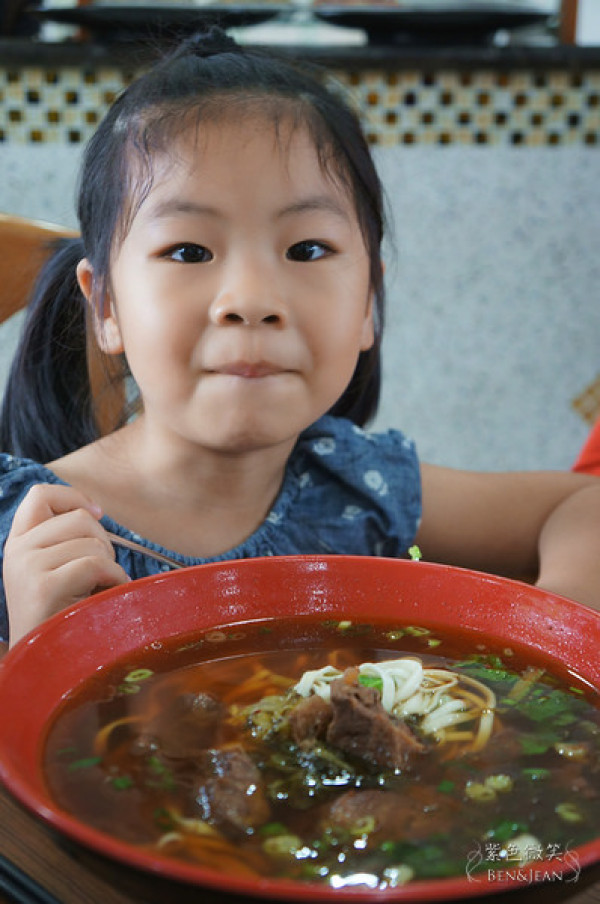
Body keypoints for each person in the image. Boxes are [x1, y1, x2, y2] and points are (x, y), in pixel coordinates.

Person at [1, 29, 600, 651]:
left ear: (368, 300)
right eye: (188, 250)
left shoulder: (355, 485)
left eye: (307, 249)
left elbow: (584, 508)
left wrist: (550, 640)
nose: (253, 299)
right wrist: (36, 648)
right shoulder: (29, 536)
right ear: (105, 304)